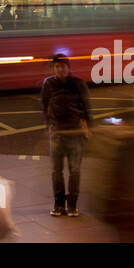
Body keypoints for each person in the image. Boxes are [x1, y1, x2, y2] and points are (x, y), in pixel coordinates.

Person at [42, 53, 92, 217]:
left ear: (68, 68)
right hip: (56, 133)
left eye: (63, 66)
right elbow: (44, 104)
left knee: (75, 170)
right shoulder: (48, 84)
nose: (60, 69)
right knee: (56, 171)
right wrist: (48, 124)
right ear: (53, 68)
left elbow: (86, 106)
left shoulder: (78, 84)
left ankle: (72, 205)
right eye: (57, 67)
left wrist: (87, 127)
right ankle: (58, 204)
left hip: (74, 133)